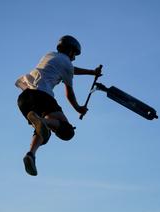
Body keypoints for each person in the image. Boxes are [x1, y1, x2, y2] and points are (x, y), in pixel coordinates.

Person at [15, 35, 102, 176]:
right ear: (70, 51)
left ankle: (31, 154)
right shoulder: (67, 64)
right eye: (74, 55)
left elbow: (71, 69)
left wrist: (91, 72)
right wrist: (78, 108)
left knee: (44, 130)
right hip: (41, 96)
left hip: (24, 99)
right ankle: (42, 121)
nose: (74, 58)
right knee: (67, 131)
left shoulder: (49, 55)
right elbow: (69, 94)